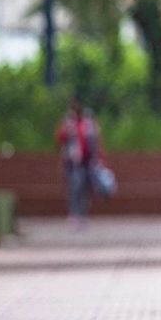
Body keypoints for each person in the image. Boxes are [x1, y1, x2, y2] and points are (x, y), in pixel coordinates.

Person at [55, 96, 104, 230]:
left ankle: (82, 214)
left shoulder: (87, 124)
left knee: (85, 189)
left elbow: (95, 142)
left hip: (86, 161)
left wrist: (98, 157)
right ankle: (75, 215)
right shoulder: (68, 124)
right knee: (75, 188)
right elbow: (61, 139)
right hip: (72, 162)